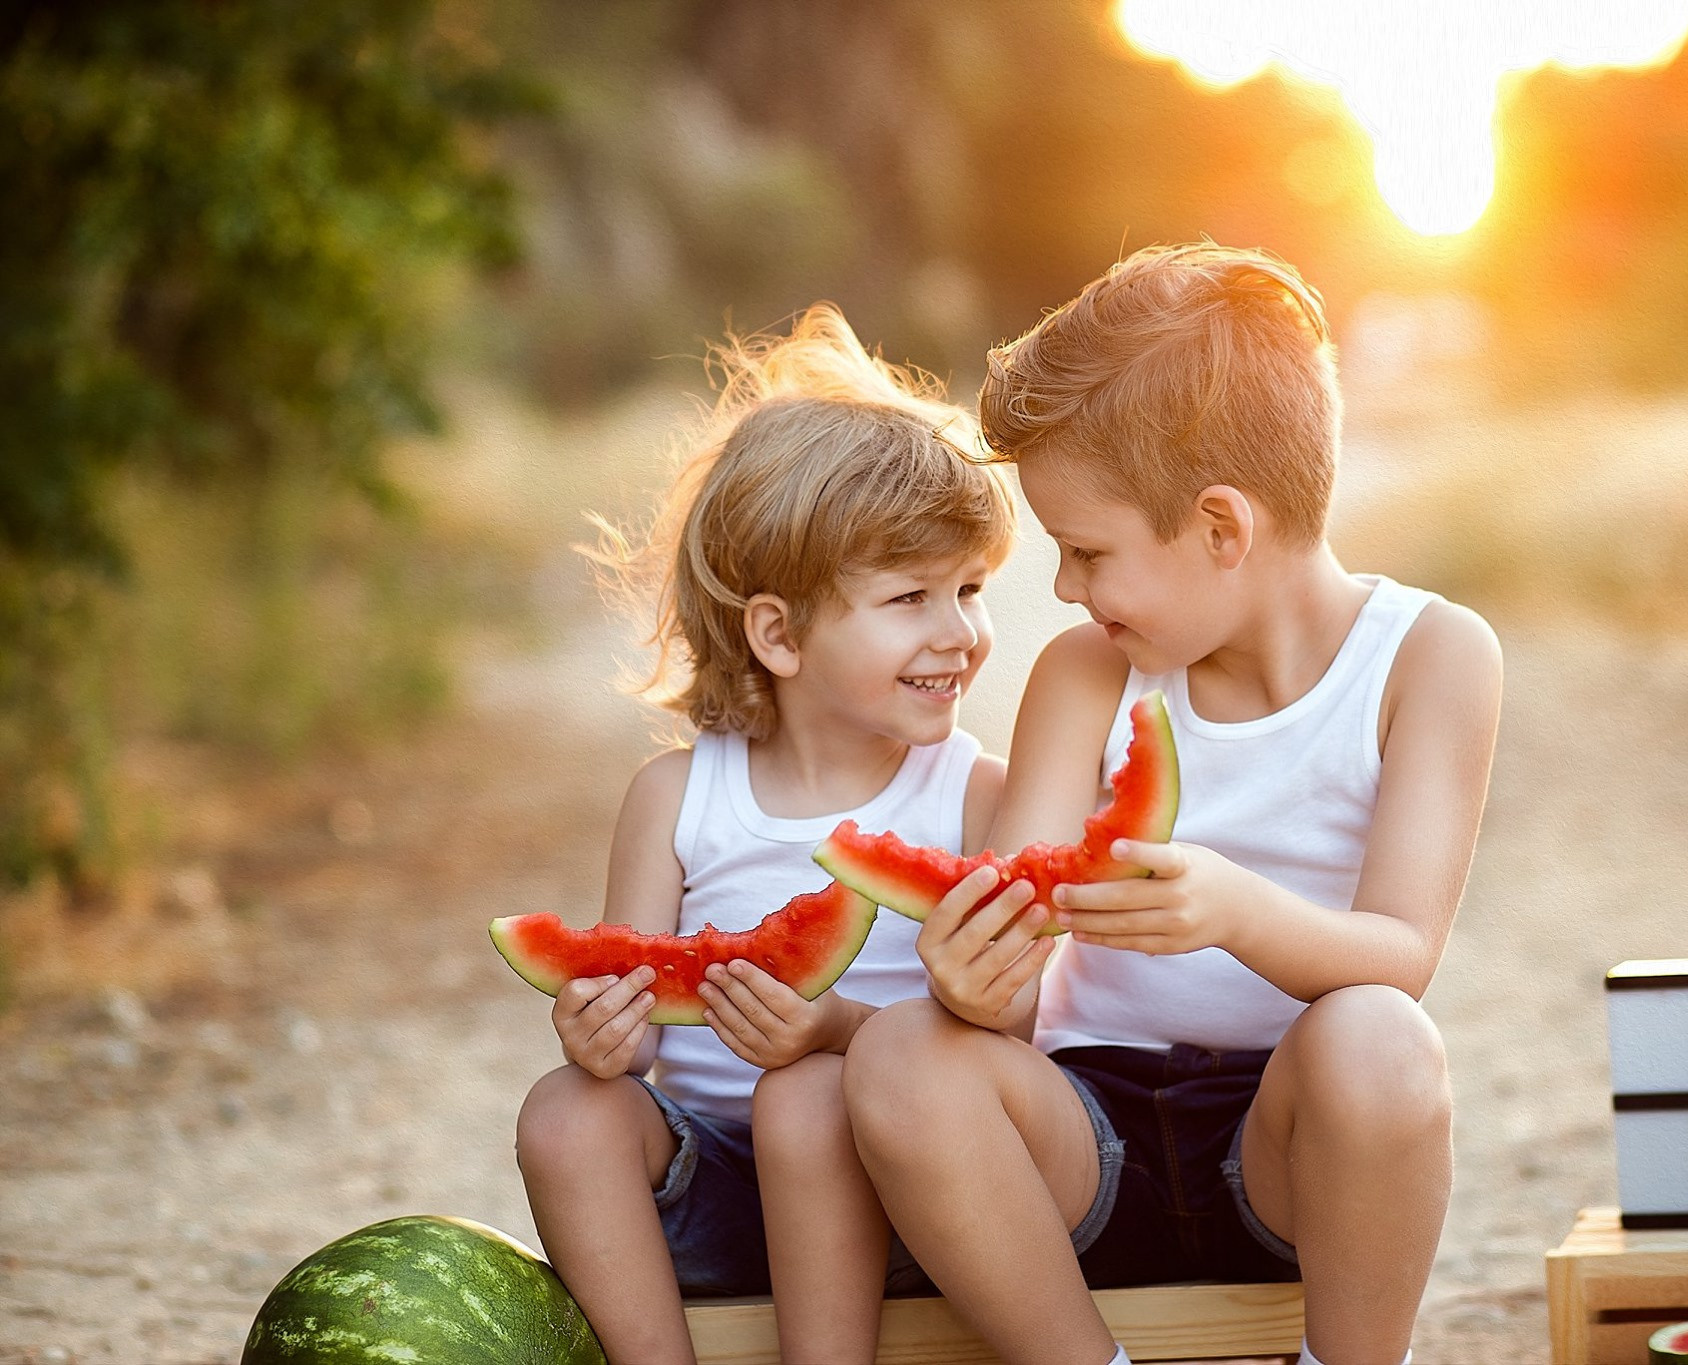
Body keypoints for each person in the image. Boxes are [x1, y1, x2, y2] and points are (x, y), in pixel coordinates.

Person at [842, 244, 1503, 1365]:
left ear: (1219, 528)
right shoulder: (1085, 676)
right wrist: (972, 978)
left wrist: (1234, 912)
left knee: (1381, 1039)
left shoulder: (1430, 657)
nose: (1060, 588)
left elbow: (1400, 956)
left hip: (1290, 1150)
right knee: (900, 1054)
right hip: (1083, 1138)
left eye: (1084, 550)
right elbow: (1005, 981)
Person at [514, 304, 1014, 1365]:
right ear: (778, 634)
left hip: (892, 1196)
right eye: (910, 596)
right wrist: (600, 1033)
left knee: (804, 1096)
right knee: (564, 1114)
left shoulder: (971, 797)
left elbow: (1004, 1039)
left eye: (970, 589)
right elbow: (636, 1023)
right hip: (703, 1198)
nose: (959, 632)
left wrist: (831, 1032)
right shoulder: (675, 798)